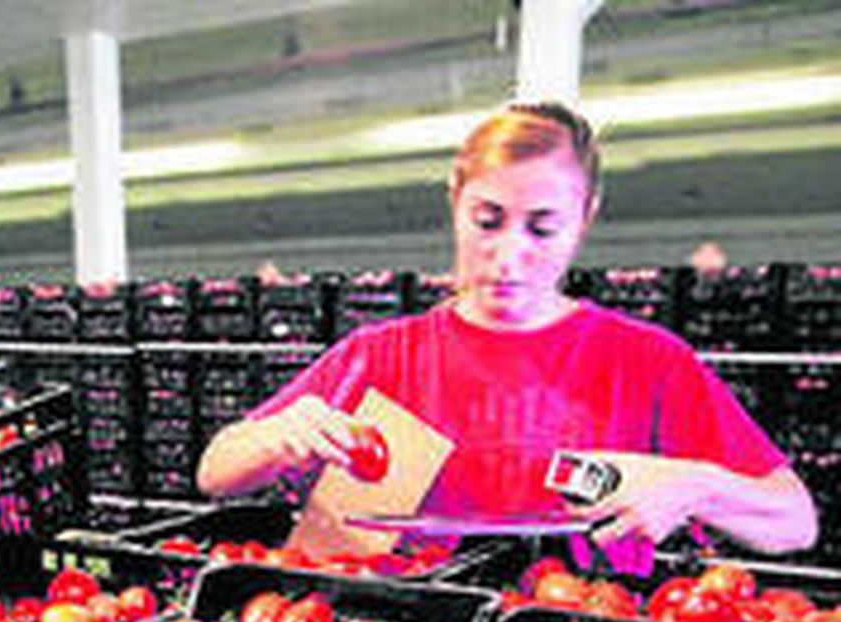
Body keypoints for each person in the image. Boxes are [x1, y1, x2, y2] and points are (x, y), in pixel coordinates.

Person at [197, 102, 816, 560]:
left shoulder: (647, 361)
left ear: (585, 218)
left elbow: (795, 521)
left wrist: (698, 486)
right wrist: (280, 434)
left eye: (542, 228)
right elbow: (215, 471)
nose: (509, 254)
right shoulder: (381, 355)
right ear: (455, 202)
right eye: (488, 221)